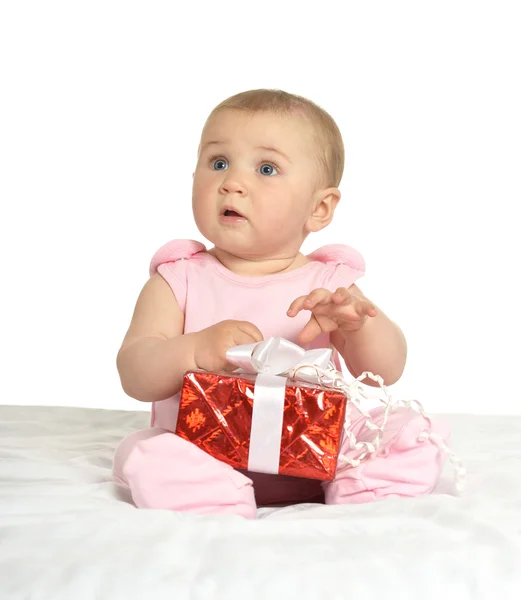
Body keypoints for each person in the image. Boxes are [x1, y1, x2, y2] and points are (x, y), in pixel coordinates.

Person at [113, 89, 450, 518]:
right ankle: (213, 498)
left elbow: (387, 370)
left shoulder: (330, 285)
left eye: (267, 168)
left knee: (410, 433)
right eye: (218, 163)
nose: (231, 182)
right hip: (204, 453)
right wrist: (194, 351)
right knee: (146, 453)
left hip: (317, 454)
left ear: (320, 208)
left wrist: (357, 325)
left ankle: (359, 488)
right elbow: (134, 374)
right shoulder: (178, 279)